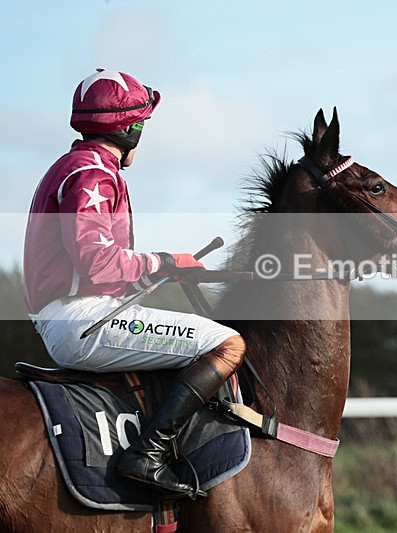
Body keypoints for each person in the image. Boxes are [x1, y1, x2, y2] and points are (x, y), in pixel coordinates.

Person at [23, 68, 246, 498]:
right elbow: (99, 265)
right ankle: (148, 455)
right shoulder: (92, 174)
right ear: (129, 128)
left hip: (76, 314)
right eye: (142, 123)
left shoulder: (76, 166)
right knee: (228, 345)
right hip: (83, 320)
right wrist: (163, 261)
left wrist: (164, 268)